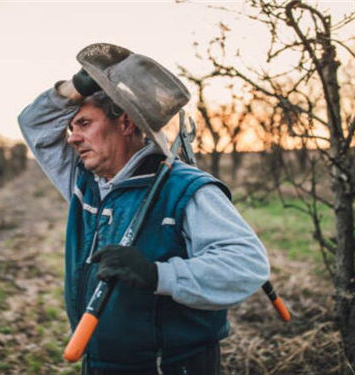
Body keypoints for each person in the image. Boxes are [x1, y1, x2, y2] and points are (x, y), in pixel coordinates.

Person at [18, 43, 270, 375]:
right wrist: (77, 88)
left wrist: (159, 275)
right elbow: (33, 123)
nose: (72, 138)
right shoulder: (86, 183)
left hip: (169, 366)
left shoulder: (184, 189)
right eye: (71, 128)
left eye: (83, 124)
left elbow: (248, 264)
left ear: (125, 124)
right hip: (101, 359)